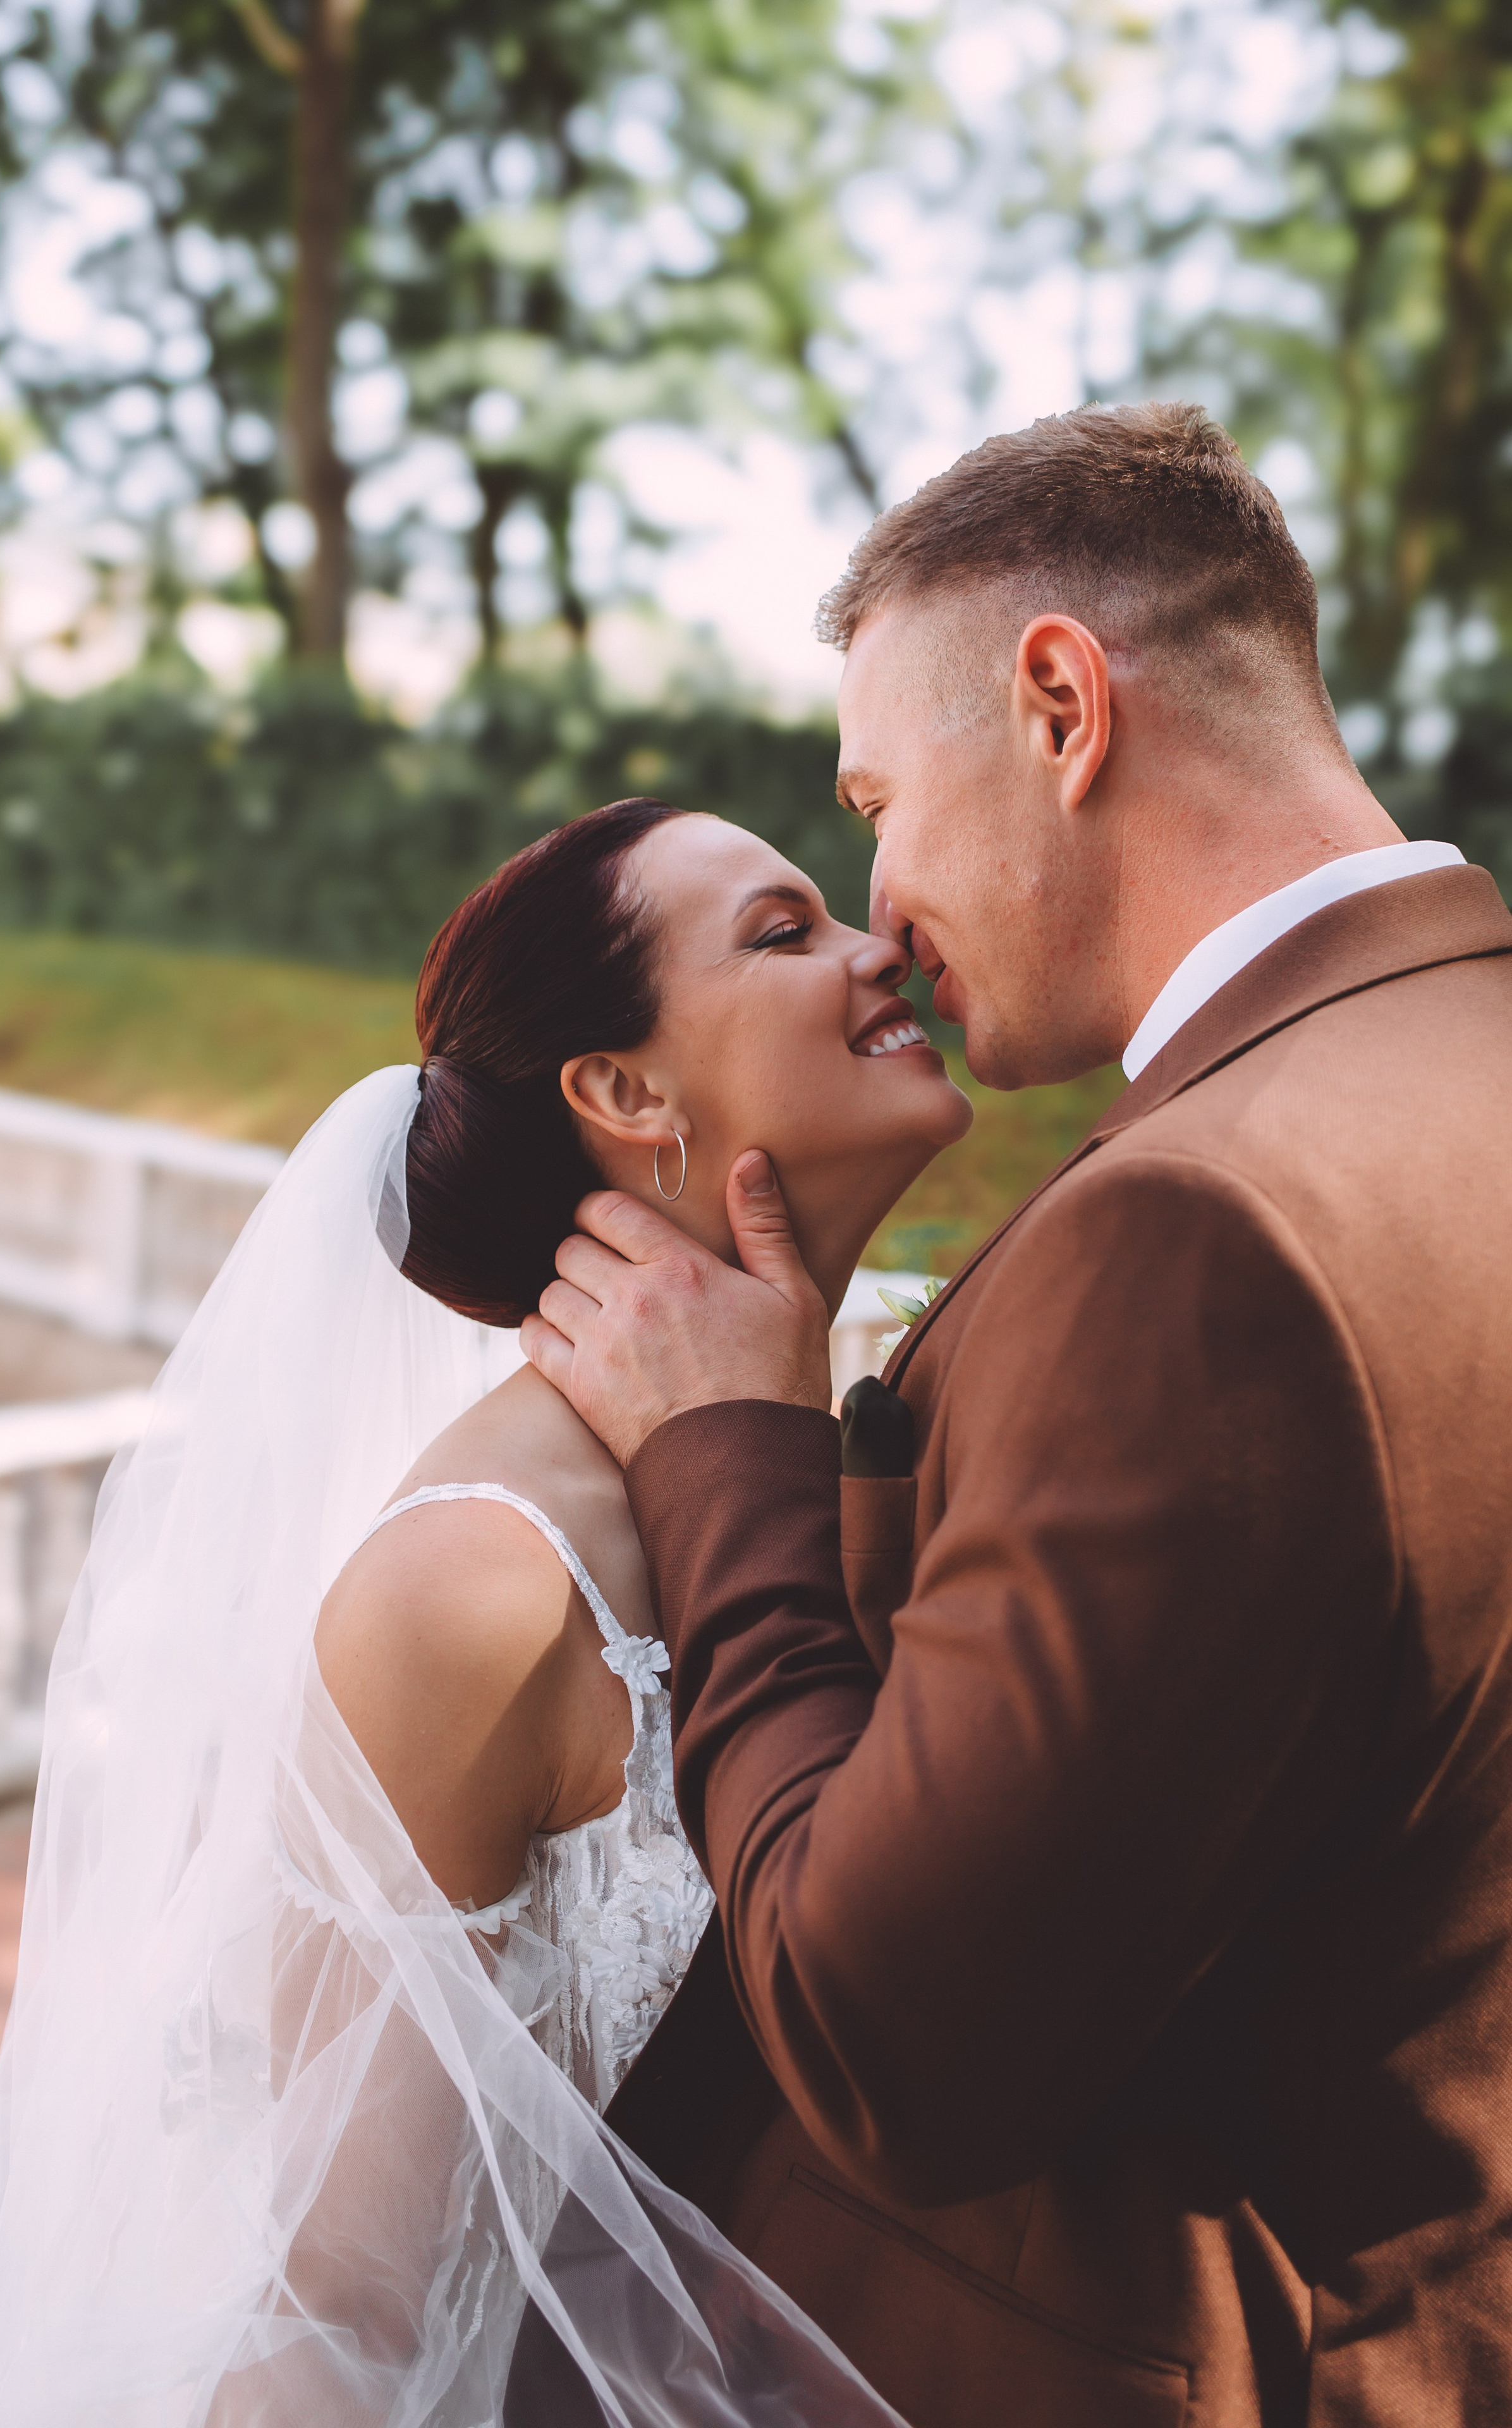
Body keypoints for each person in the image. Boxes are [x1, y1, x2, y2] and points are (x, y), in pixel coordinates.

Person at [522, 402, 1512, 2426]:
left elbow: (898, 2050)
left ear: (1062, 706)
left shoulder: (1204, 1234)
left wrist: (737, 1469)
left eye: (878, 798)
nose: (883, 912)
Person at [0, 796, 964, 2426]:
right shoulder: (480, 1583)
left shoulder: (872, 1433)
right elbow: (339, 2296)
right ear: (626, 1093)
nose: (883, 944)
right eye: (786, 933)